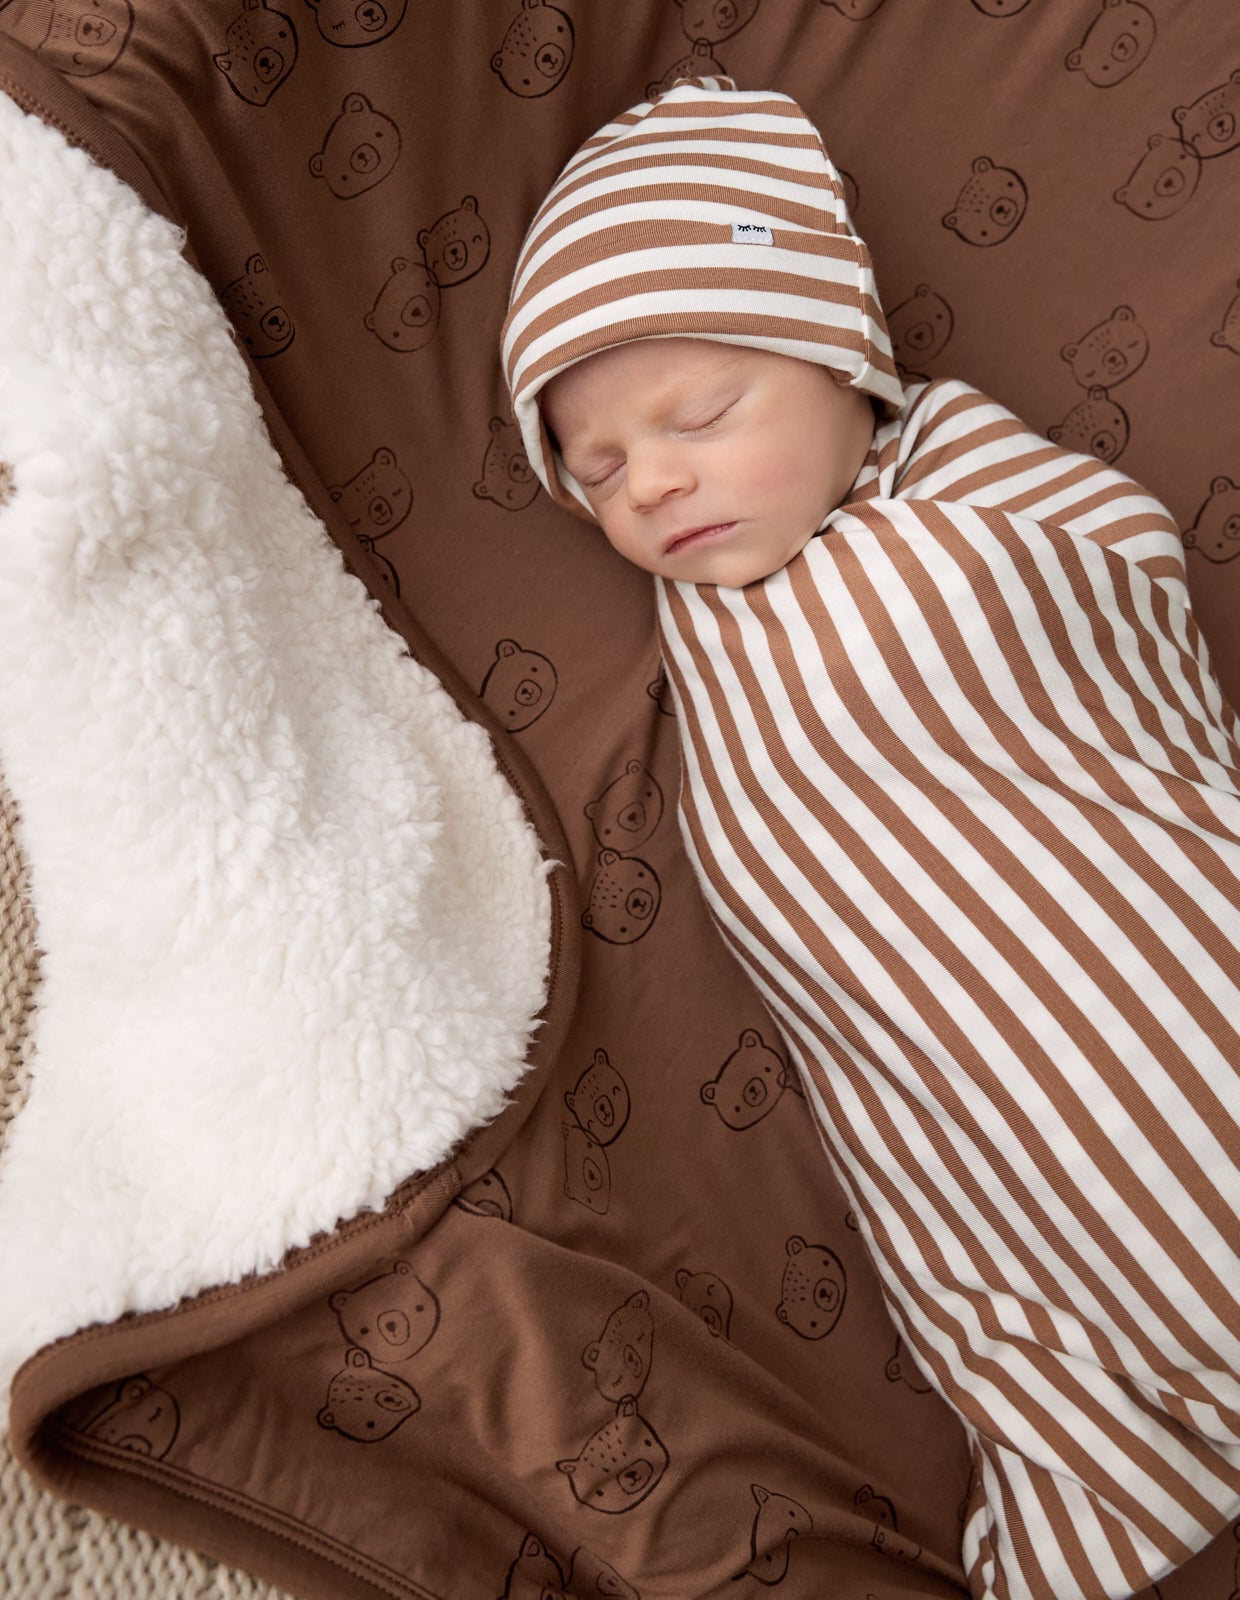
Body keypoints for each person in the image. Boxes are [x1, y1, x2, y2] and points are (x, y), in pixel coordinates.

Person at [500, 76, 1240, 1600]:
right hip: (990, 1129)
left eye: (702, 414)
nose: (652, 481)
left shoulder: (973, 498)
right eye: (596, 470)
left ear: (845, 361)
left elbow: (1123, 579)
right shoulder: (703, 646)